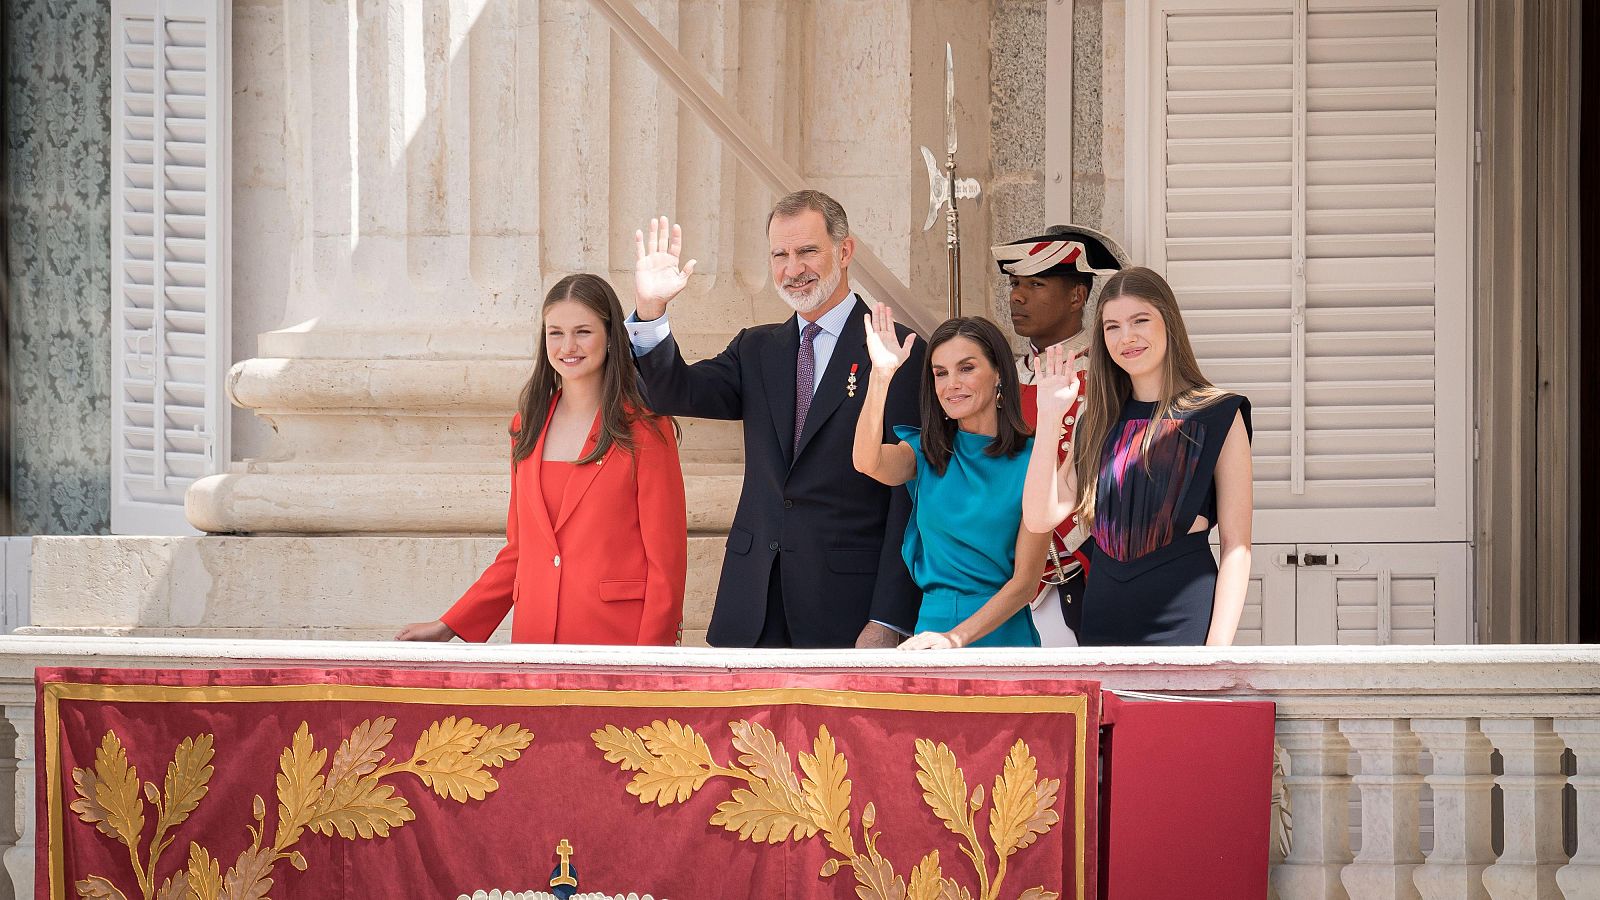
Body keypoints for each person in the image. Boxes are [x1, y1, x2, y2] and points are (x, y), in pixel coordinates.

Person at [628, 192, 924, 648]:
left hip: (847, 608)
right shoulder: (757, 348)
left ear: (844, 252)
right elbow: (671, 390)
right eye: (779, 254)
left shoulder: (898, 350)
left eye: (807, 251)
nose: (792, 268)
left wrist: (889, 617)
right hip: (753, 606)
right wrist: (651, 310)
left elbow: (909, 496)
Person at [397, 274, 687, 645]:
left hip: (617, 644)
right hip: (534, 639)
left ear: (611, 337)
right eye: (555, 333)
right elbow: (521, 552)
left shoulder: (646, 429)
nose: (568, 345)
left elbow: (667, 564)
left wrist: (651, 661)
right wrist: (451, 624)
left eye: (583, 331)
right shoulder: (527, 426)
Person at [1022, 266, 1252, 646]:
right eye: (1112, 326)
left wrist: (1217, 654)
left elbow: (1237, 546)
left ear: (1168, 323)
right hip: (1101, 615)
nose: (1126, 337)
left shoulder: (1219, 413)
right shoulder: (1094, 422)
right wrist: (1050, 416)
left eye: (1139, 320)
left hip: (1183, 616)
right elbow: (1039, 515)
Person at [852, 306, 1050, 649]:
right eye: (940, 373)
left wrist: (955, 639)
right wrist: (881, 377)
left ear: (999, 372)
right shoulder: (925, 453)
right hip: (930, 635)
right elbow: (867, 461)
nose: (951, 384)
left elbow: (1025, 584)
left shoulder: (1035, 461)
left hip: (1001, 637)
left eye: (967, 368)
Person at [992, 225, 1127, 646]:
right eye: (1015, 284)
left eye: (1035, 284)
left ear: (1077, 296)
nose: (1017, 296)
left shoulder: (1114, 375)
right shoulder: (1002, 378)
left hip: (1090, 572)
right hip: (1011, 579)